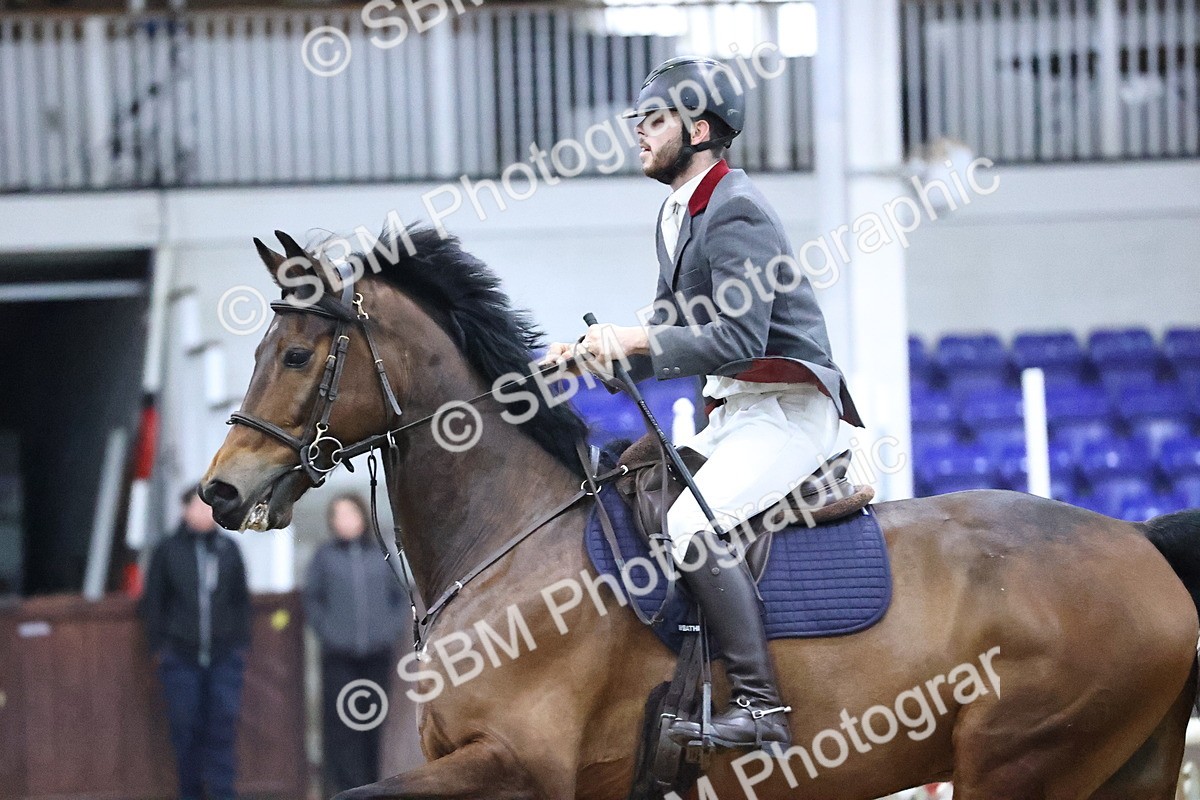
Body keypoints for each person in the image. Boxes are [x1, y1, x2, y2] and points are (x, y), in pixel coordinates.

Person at [543, 56, 864, 752]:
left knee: (690, 523)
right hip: (739, 413)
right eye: (638, 121)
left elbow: (739, 336)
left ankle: (762, 707)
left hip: (787, 411)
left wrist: (630, 337)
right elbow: (670, 332)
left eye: (651, 121)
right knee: (636, 487)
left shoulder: (735, 207)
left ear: (699, 127)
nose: (638, 133)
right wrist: (585, 353)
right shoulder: (678, 213)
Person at [139, 483, 252, 800]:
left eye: (209, 508)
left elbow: (241, 600)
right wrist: (160, 649)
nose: (204, 513)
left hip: (224, 657)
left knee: (222, 730)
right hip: (180, 658)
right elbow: (154, 604)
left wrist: (239, 646)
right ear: (185, 509)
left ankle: (222, 793)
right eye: (198, 506)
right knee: (185, 732)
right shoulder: (167, 551)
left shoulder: (229, 550)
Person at [304, 493, 409, 796]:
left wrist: (387, 632)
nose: (344, 521)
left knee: (372, 724)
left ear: (362, 517)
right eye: (338, 515)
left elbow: (399, 596)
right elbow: (312, 600)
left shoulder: (381, 552)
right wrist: (329, 633)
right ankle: (344, 790)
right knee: (341, 727)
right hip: (338, 658)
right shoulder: (324, 556)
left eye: (349, 514)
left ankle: (372, 787)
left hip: (376, 656)